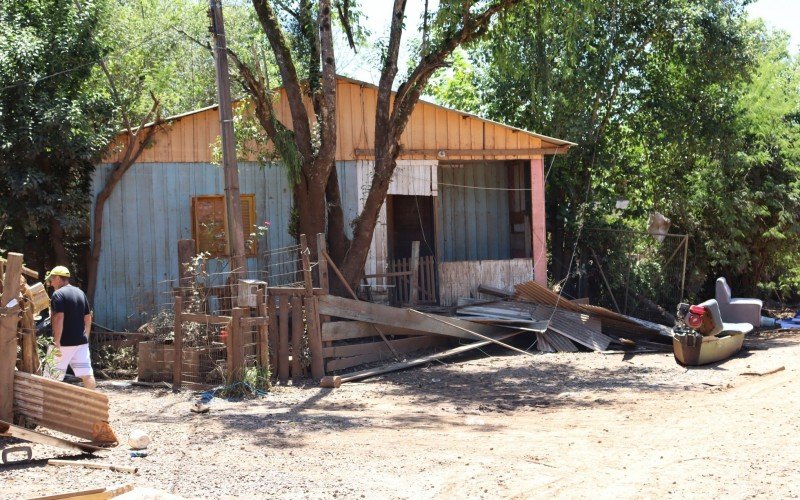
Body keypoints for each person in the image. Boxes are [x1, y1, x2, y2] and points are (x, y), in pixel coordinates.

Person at [45, 266, 96, 389]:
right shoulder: (80, 293)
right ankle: (92, 403)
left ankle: (50, 406)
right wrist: (86, 336)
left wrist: (56, 341)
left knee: (51, 377)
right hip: (81, 342)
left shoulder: (57, 294)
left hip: (63, 343)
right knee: (87, 374)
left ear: (57, 278)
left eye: (51, 279)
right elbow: (88, 317)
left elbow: (59, 318)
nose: (51, 283)